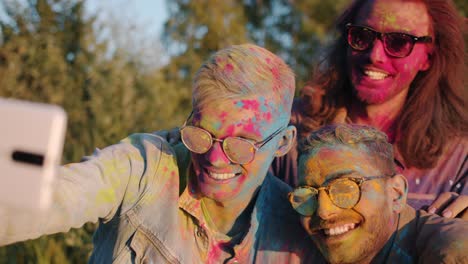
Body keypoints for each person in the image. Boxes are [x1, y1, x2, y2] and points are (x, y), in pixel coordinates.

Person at [0, 44, 322, 263]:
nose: (214, 159)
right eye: (201, 134)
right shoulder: (146, 166)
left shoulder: (297, 234)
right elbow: (52, 199)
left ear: (283, 142)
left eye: (240, 145)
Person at [273, 0, 467, 217]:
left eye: (398, 42)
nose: (375, 55)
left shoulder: (458, 161)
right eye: (362, 36)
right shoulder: (286, 129)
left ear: (428, 58)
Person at [289, 123, 468, 263]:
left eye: (345, 188)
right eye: (308, 195)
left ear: (396, 193)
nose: (323, 211)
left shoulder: (452, 252)